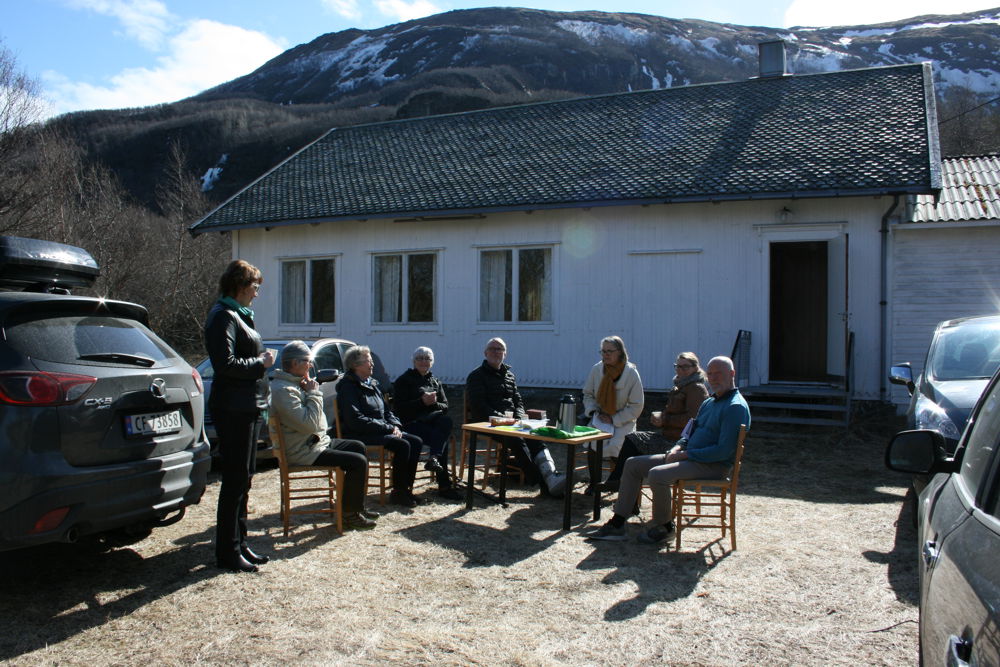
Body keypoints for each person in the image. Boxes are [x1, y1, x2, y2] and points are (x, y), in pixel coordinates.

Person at [586, 356, 750, 544]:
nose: (713, 378)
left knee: (657, 474)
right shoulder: (710, 402)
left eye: (718, 374)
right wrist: (678, 447)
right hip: (689, 457)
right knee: (632, 464)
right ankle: (617, 524)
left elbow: (723, 451)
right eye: (710, 373)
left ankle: (664, 527)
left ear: (732, 374)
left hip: (712, 464)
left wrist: (686, 454)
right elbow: (689, 432)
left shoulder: (735, 407)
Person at [204, 259, 274, 573]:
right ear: (241, 286)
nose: (257, 294)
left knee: (244, 480)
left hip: (247, 408)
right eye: (255, 287)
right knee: (234, 482)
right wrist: (261, 363)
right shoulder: (223, 316)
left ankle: (240, 544)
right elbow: (226, 365)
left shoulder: (238, 315)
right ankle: (227, 552)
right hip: (233, 409)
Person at [270, 341, 378, 530]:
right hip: (303, 450)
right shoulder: (283, 390)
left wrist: (309, 391)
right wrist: (314, 393)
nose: (311, 365)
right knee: (357, 461)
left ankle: (355, 507)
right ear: (295, 363)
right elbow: (309, 423)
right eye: (308, 361)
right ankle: (348, 515)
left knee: (357, 447)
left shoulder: (295, 384)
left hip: (315, 443)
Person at [466, 337, 566, 497]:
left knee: (535, 436)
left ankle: (552, 475)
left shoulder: (509, 375)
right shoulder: (476, 376)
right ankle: (543, 484)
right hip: (488, 423)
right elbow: (479, 407)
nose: (495, 352)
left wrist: (520, 418)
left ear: (505, 354)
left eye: (499, 349)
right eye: (492, 348)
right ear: (485, 353)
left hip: (513, 422)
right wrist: (503, 420)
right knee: (516, 440)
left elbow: (518, 402)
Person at [598, 351, 709, 492]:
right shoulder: (681, 386)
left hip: (679, 443)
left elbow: (692, 420)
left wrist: (664, 420)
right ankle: (623, 488)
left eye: (685, 367)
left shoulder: (696, 389)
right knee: (632, 439)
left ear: (695, 368)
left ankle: (620, 483)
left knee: (634, 442)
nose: (680, 370)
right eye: (677, 366)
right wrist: (661, 417)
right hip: (669, 436)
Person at [337, 345, 425, 507]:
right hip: (360, 433)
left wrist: (395, 425)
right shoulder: (348, 387)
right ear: (356, 365)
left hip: (381, 430)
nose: (372, 365)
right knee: (402, 445)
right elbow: (356, 420)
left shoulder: (372, 384)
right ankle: (398, 492)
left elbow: (387, 411)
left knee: (416, 441)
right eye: (368, 361)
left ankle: (406, 489)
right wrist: (388, 429)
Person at [393, 346, 462, 500]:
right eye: (420, 358)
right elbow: (399, 409)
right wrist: (421, 402)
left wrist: (433, 403)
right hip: (411, 423)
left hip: (433, 422)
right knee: (441, 439)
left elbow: (445, 406)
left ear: (432, 362)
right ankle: (444, 485)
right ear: (413, 361)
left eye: (427, 358)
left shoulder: (435, 380)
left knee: (446, 422)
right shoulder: (404, 380)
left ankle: (433, 460)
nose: (424, 361)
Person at [581, 335, 644, 490]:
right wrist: (594, 410)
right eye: (603, 351)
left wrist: (615, 419)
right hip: (600, 417)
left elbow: (637, 405)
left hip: (623, 420)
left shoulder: (630, 373)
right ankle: (594, 483)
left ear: (620, 352)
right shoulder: (597, 369)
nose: (606, 355)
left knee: (619, 445)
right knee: (593, 443)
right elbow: (588, 394)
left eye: (610, 351)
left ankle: (616, 483)